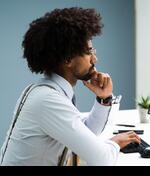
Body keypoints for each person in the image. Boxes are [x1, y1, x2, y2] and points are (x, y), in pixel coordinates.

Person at [0, 7, 140, 166]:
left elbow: (85, 132)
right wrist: (114, 143)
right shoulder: (48, 101)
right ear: (67, 59)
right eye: (88, 52)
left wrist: (104, 99)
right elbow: (102, 160)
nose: (95, 58)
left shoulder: (44, 92)